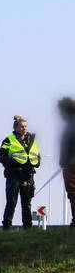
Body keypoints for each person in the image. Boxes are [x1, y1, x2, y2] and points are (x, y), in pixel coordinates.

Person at [0, 115, 41, 229]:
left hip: (28, 175)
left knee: (26, 203)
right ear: (16, 127)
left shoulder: (32, 140)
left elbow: (36, 154)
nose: (24, 128)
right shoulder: (9, 140)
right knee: (11, 202)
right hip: (14, 175)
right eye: (22, 126)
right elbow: (1, 157)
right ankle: (7, 227)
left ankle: (28, 227)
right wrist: (15, 163)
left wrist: (37, 162)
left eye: (26, 126)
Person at [59, 97, 75, 227]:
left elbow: (67, 146)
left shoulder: (71, 124)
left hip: (72, 165)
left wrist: (64, 161)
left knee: (73, 193)